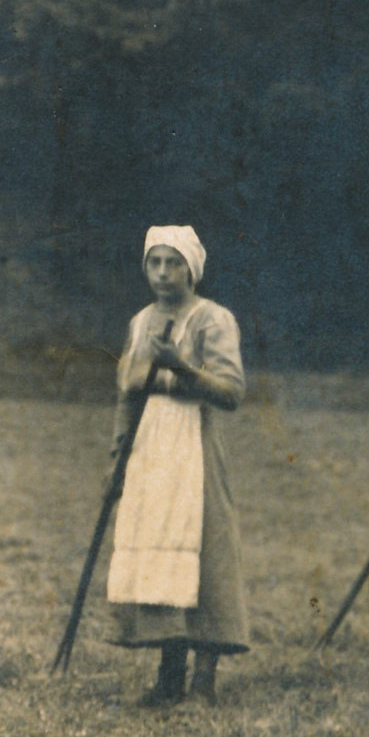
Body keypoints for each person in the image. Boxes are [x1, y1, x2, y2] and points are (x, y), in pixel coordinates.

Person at [105, 225, 250, 706]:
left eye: (174, 263)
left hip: (195, 449)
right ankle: (169, 675)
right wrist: (117, 460)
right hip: (150, 451)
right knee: (161, 554)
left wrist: (181, 369)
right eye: (155, 262)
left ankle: (204, 680)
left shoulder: (213, 320)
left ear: (192, 269)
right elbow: (128, 394)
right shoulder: (141, 322)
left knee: (205, 554)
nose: (163, 273)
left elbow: (231, 391)